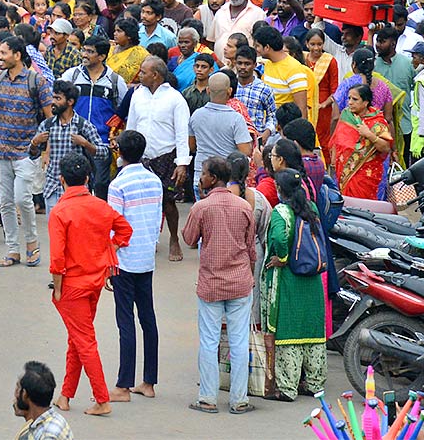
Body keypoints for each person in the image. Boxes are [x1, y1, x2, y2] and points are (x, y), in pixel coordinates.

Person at [48, 152, 133, 417]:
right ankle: (66, 395)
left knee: (83, 340)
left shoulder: (60, 212)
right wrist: (108, 252)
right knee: (78, 338)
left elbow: (57, 259)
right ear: (87, 178)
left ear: (61, 179)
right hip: (95, 281)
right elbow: (125, 231)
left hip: (72, 285)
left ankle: (101, 399)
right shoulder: (100, 206)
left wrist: (58, 287)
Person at [182, 155, 257, 415]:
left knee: (209, 341)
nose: (200, 178)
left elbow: (189, 238)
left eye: (202, 174)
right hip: (239, 283)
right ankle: (239, 400)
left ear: (212, 178)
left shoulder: (201, 208)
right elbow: (250, 249)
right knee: (238, 341)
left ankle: (208, 398)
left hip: (212, 283)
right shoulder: (244, 206)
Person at [0, 35, 52, 268]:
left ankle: (31, 244)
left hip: (26, 152)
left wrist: (45, 149)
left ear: (17, 55)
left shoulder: (36, 81)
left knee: (22, 199)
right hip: (1, 153)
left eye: (3, 53)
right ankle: (12, 250)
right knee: (6, 202)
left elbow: (49, 118)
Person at [107, 130, 164, 403]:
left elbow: (114, 226)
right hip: (146, 257)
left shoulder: (118, 185)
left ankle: (123, 384)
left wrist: (108, 261)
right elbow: (157, 219)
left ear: (120, 153)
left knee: (125, 321)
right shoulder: (155, 181)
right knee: (148, 318)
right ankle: (149, 381)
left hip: (124, 260)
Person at [263, 168, 327, 402]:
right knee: (311, 332)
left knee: (289, 331)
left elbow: (279, 238)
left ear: (280, 190)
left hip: (289, 279)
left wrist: (282, 257)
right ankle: (314, 384)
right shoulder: (312, 208)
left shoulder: (281, 211)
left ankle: (288, 388)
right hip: (312, 280)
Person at [127, 56, 190, 261]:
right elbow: (132, 127)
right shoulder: (137, 95)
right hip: (142, 157)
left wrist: (181, 163)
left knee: (168, 203)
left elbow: (182, 133)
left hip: (166, 157)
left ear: (155, 75)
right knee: (141, 202)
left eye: (144, 72)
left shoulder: (175, 99)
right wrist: (126, 157)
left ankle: (173, 239)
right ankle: (148, 239)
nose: (140, 75)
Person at [32, 82, 102, 212]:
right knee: (55, 230)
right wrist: (35, 143)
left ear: (70, 102)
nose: (53, 102)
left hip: (77, 190)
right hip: (52, 187)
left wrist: (85, 144)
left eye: (58, 99)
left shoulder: (83, 125)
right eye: (53, 98)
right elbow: (32, 154)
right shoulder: (47, 125)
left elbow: (103, 152)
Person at [330, 83, 393, 199]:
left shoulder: (377, 122)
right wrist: (334, 159)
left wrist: (369, 134)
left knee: (362, 206)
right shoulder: (346, 115)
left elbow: (386, 148)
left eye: (355, 99)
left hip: (366, 174)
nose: (350, 102)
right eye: (349, 98)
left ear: (366, 102)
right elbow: (337, 139)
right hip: (343, 170)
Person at [189, 73, 253, 187]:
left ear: (208, 90)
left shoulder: (196, 115)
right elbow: (245, 151)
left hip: (201, 176)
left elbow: (191, 146)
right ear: (229, 91)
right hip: (226, 179)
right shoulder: (236, 118)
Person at [13, 360, 76, 440]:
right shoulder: (44, 420)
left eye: (18, 389)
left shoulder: (48, 435)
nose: (15, 397)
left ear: (25, 394)